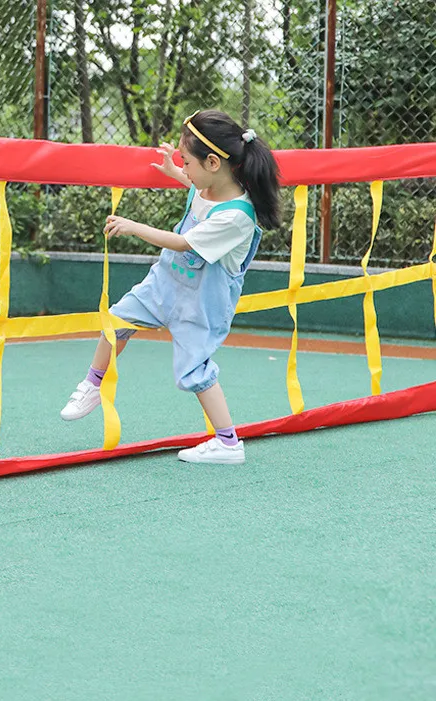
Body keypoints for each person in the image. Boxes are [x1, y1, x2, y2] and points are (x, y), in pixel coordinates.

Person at [60, 109, 281, 465]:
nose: (184, 167)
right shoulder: (209, 185)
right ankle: (92, 385)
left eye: (186, 160)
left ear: (212, 162)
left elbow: (184, 243)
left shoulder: (237, 217)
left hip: (201, 302)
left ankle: (228, 443)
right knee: (116, 322)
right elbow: (197, 190)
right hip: (164, 284)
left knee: (194, 370)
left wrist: (133, 226)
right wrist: (174, 173)